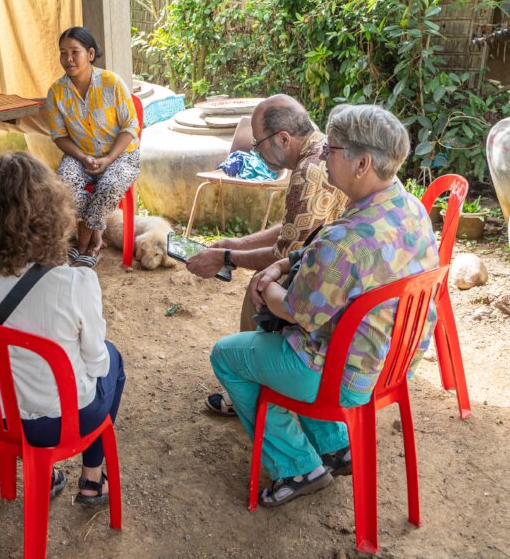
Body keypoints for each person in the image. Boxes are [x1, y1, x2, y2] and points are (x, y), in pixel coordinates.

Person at [209, 104, 439, 507]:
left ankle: (297, 466)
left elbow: (296, 311)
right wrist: (286, 262)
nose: (323, 156)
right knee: (274, 342)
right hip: (390, 362)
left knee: (229, 355)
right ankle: (335, 445)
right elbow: (320, 248)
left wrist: (266, 286)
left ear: (362, 163)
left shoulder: (345, 244)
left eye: (331, 150)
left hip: (344, 376)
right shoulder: (409, 208)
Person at [0, 152, 126, 504]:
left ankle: (43, 472)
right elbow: (97, 363)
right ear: (52, 212)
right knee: (112, 358)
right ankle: (92, 479)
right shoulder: (75, 282)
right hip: (57, 424)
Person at [187, 94, 348, 415]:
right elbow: (293, 228)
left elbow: (283, 257)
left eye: (258, 143)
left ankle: (253, 383)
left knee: (261, 286)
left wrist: (226, 258)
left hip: (330, 286)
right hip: (338, 267)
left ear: (284, 139)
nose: (256, 151)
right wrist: (238, 243)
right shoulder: (321, 148)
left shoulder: (307, 172)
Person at [46, 27, 140, 268]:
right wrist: (82, 157)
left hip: (121, 155)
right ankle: (95, 238)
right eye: (63, 53)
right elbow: (59, 136)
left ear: (89, 54)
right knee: (65, 184)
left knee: (108, 185)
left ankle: (84, 246)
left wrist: (108, 159)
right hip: (80, 155)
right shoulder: (57, 92)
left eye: (74, 52)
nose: (68, 59)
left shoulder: (111, 83)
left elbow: (130, 126)